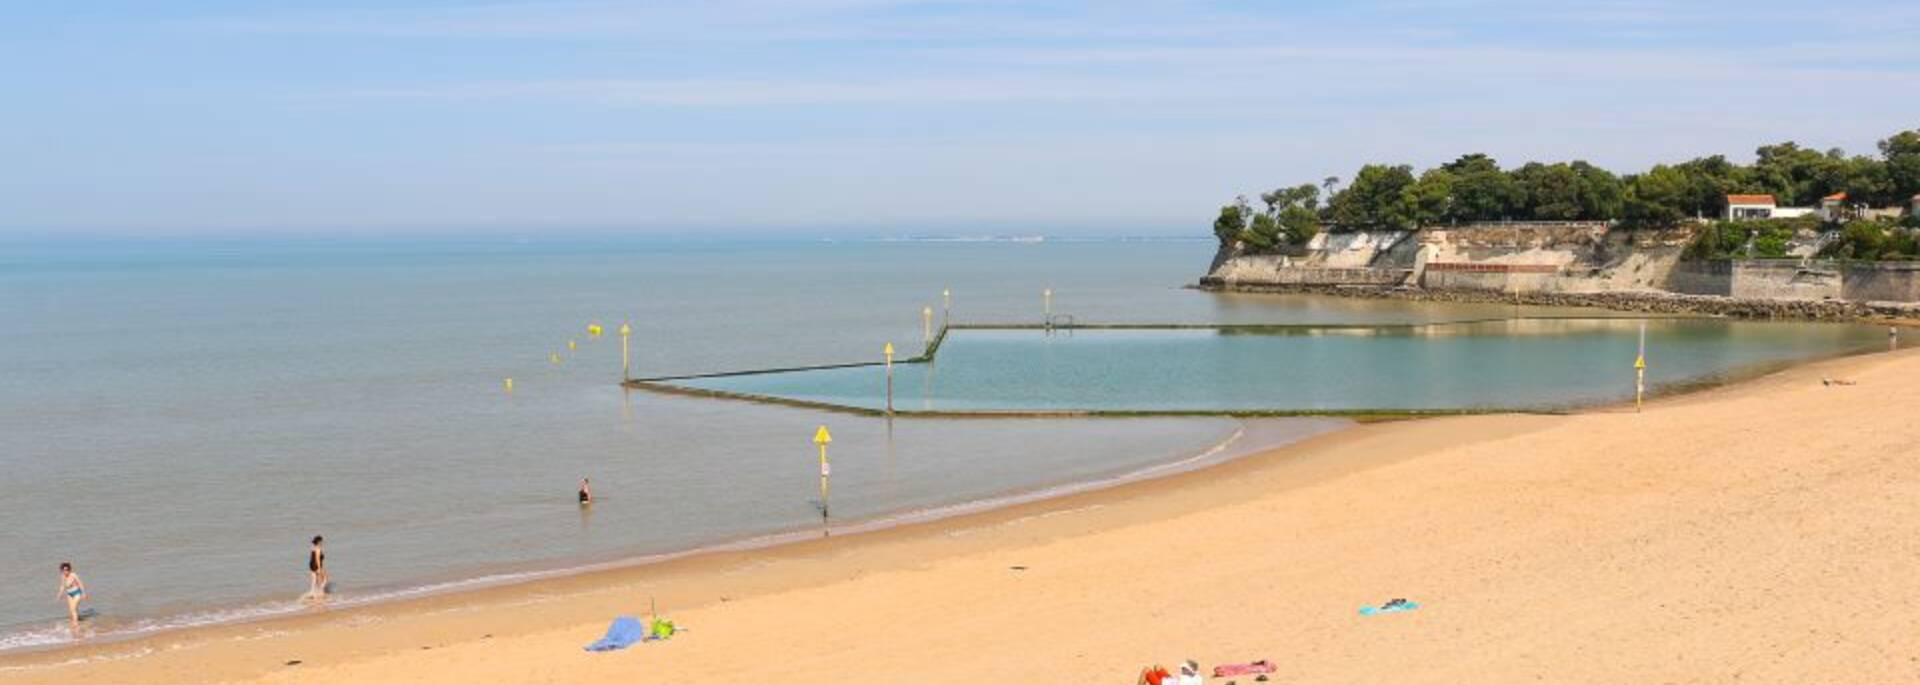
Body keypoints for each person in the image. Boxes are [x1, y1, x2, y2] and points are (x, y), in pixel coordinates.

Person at [57, 562, 87, 629]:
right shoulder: (63, 576)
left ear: (69, 569)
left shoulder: (73, 575)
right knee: (71, 610)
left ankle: (76, 625)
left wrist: (84, 593)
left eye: (67, 569)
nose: (65, 571)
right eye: (64, 570)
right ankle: (77, 620)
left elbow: (80, 584)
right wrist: (59, 594)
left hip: (77, 593)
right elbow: (62, 586)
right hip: (69, 594)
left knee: (73, 609)